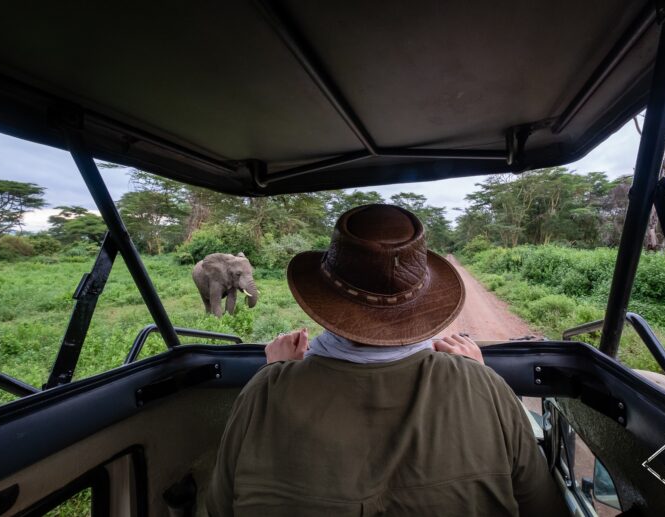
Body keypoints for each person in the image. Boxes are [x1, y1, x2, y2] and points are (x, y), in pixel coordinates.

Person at [207, 204, 568, 516]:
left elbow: (219, 508)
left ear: (324, 297)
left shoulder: (265, 390)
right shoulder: (481, 384)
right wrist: (474, 378)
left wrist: (275, 376)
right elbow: (544, 508)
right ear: (422, 303)